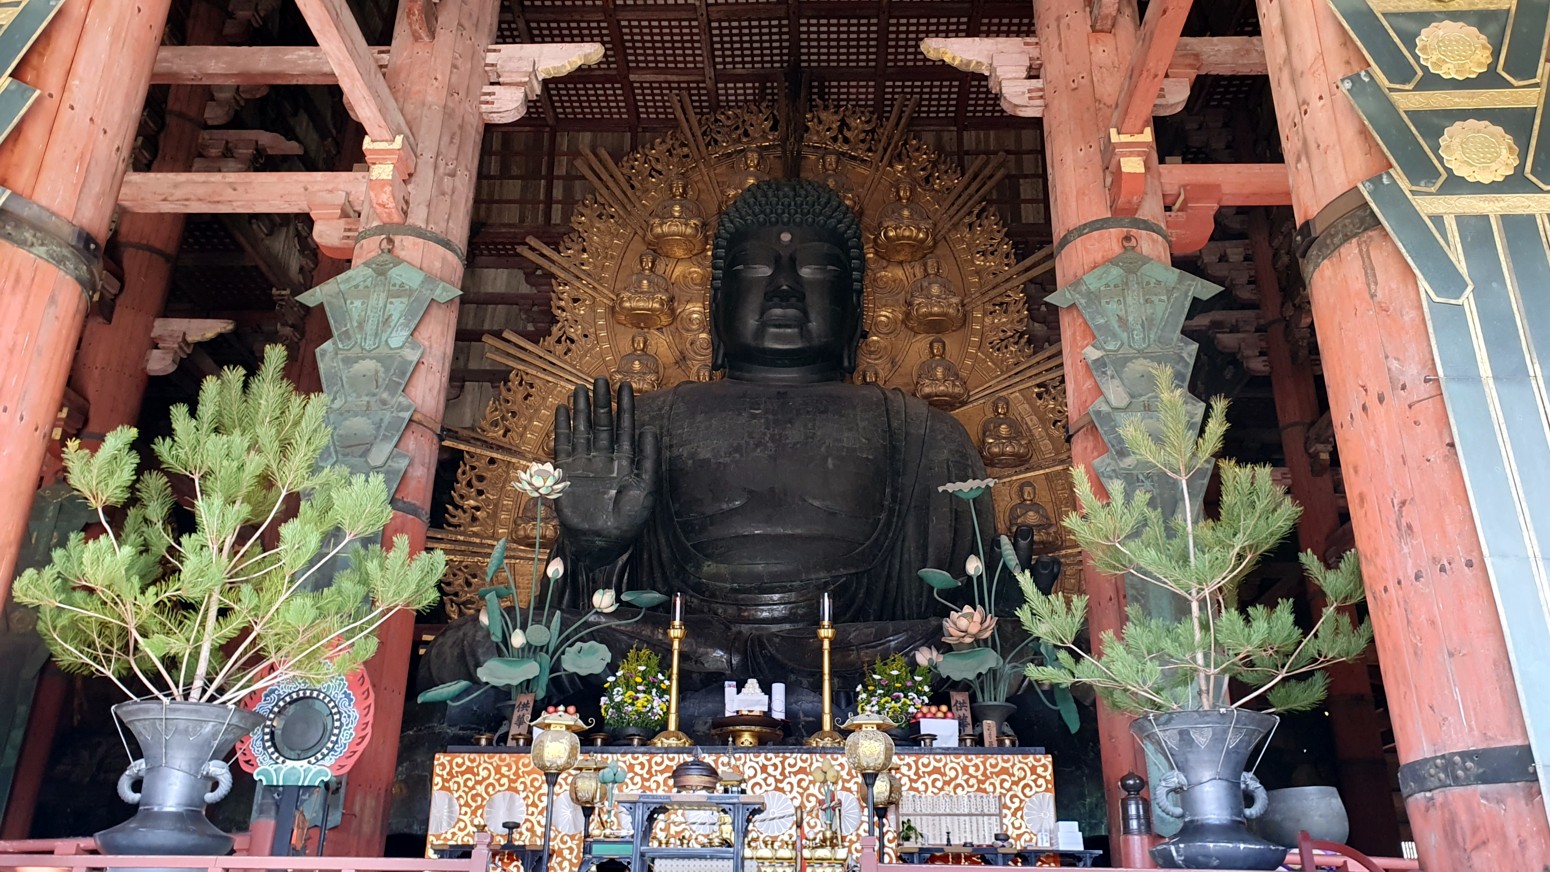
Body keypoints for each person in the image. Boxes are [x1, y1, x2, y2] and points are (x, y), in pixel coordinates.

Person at [551, 180, 990, 680]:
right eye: (754, 268)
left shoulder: (927, 434)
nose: (784, 287)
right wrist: (595, 550)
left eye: (818, 269)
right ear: (715, 305)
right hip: (681, 651)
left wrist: (1006, 602)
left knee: (998, 649)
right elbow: (578, 608)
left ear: (856, 308)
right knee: (513, 638)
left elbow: (968, 605)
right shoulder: (644, 424)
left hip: (864, 652)